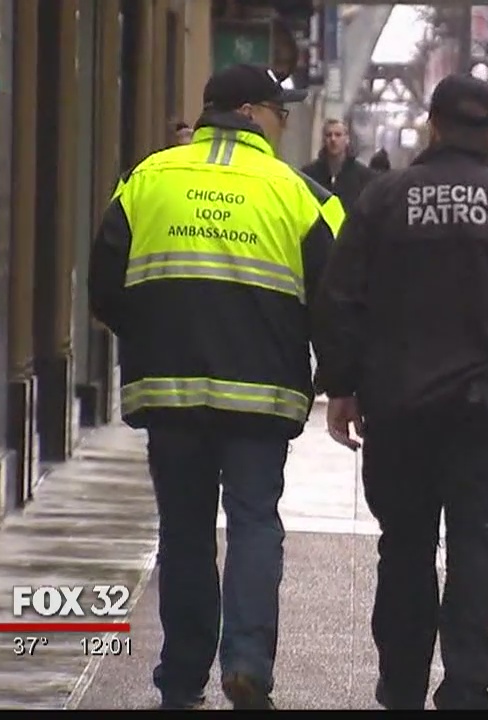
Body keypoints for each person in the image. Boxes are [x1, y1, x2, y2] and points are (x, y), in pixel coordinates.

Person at [312, 74, 488, 710]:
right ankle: (466, 683)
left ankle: (402, 683)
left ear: (433, 125)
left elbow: (341, 297)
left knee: (405, 546)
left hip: (399, 405)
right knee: (479, 544)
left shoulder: (385, 199)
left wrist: (342, 385)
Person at [87, 63, 345, 711]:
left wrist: (152, 337)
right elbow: (336, 303)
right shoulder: (304, 195)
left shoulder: (146, 179)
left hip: (168, 391)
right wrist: (341, 379)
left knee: (184, 529)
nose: (284, 124)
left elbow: (104, 287)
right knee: (256, 522)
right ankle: (248, 662)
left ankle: (180, 678)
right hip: (262, 396)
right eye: (281, 113)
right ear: (256, 112)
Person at [301, 118, 377, 213]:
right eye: (329, 135)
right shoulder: (309, 175)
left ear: (347, 139)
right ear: (323, 140)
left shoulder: (364, 176)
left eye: (338, 135)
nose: (333, 139)